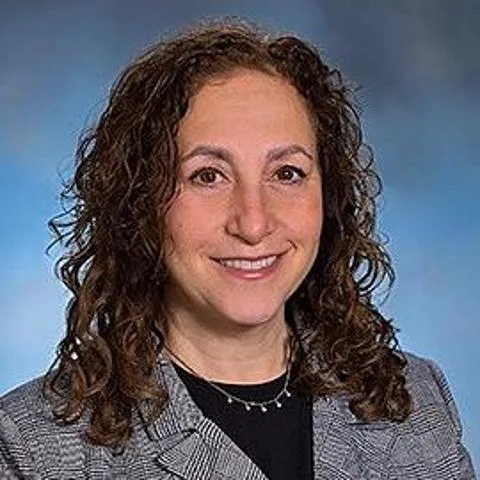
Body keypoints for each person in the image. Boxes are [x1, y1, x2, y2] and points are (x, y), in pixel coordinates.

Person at [0, 19, 476, 480]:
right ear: (139, 202)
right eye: (207, 176)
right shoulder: (34, 447)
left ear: (328, 196)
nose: (253, 223)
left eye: (287, 173)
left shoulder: (417, 400)